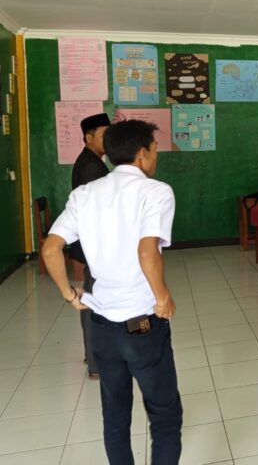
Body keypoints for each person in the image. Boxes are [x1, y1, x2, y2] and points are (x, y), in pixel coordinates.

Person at [41, 120, 182, 464]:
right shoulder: (156, 192)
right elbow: (147, 252)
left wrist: (69, 294)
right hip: (142, 325)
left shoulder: (85, 194)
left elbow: (50, 248)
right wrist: (163, 298)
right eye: (154, 149)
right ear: (142, 153)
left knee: (115, 417)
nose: (156, 156)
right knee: (164, 416)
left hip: (101, 325)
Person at [70, 113, 112, 380]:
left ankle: (91, 355)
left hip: (92, 242)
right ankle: (96, 363)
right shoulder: (91, 168)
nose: (108, 140)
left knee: (91, 296)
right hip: (95, 244)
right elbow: (97, 211)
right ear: (88, 137)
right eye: (103, 135)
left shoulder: (93, 161)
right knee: (94, 300)